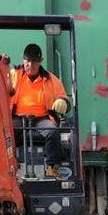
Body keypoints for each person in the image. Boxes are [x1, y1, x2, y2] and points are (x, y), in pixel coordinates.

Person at [10, 43, 71, 178]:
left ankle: (52, 168)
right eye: (28, 62)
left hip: (41, 118)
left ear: (40, 62)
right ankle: (10, 166)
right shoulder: (13, 75)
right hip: (18, 117)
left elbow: (64, 98)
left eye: (34, 62)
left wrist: (62, 102)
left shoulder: (51, 79)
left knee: (52, 131)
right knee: (7, 133)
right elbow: (0, 90)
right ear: (23, 60)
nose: (30, 66)